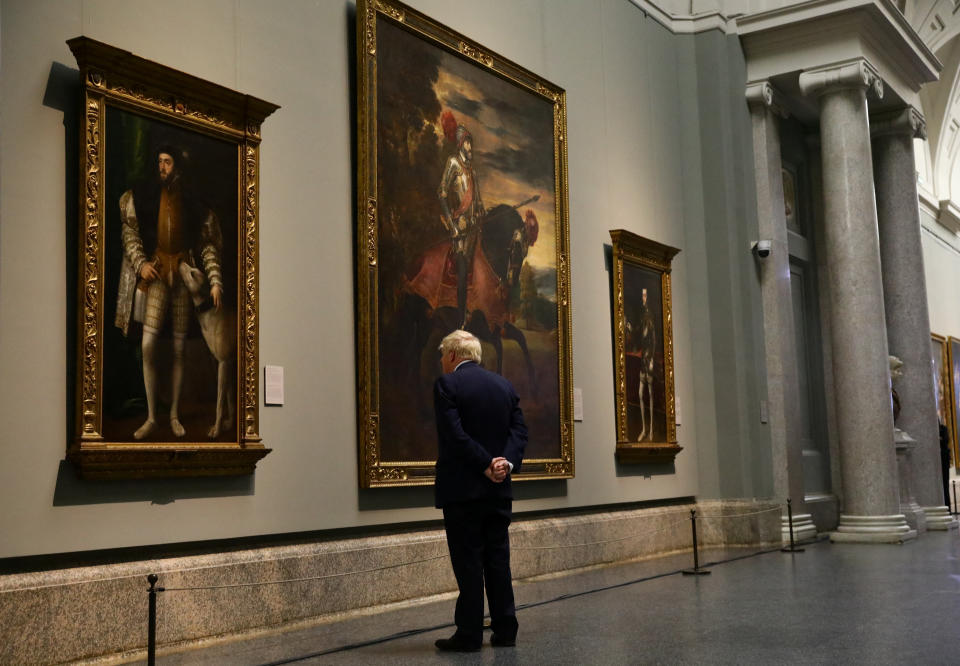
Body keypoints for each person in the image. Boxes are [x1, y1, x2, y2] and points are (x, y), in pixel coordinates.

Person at [114, 144, 223, 440]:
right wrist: (140, 265)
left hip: (183, 278)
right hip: (158, 273)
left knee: (177, 350)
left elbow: (208, 246)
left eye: (167, 162)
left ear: (178, 167)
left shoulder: (193, 203)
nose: (161, 167)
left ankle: (173, 414)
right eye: (159, 161)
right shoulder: (144, 196)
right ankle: (151, 417)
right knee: (148, 345)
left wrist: (214, 279)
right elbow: (131, 234)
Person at [433, 329, 527, 652]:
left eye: (443, 356)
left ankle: (469, 633)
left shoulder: (447, 385)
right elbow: (519, 431)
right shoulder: (504, 385)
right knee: (498, 560)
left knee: (469, 563)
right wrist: (505, 464)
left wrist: (485, 463)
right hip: (499, 491)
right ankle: (506, 629)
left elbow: (454, 436)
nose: (443, 362)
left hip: (463, 492)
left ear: (453, 355)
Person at [438, 111, 485, 327]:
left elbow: (478, 200)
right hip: (460, 227)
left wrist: (482, 212)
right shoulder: (453, 163)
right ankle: (459, 320)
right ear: (460, 144)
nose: (470, 147)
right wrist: (451, 224)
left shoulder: (472, 171)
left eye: (471, 143)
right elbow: (442, 193)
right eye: (467, 143)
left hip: (473, 229)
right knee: (463, 269)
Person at [627, 287, 656, 441]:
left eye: (645, 295)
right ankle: (644, 429)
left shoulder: (650, 322)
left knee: (650, 394)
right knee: (640, 395)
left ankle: (651, 430)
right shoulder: (642, 322)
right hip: (643, 360)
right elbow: (637, 334)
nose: (643, 298)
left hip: (648, 361)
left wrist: (649, 358)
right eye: (642, 295)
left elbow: (654, 341)